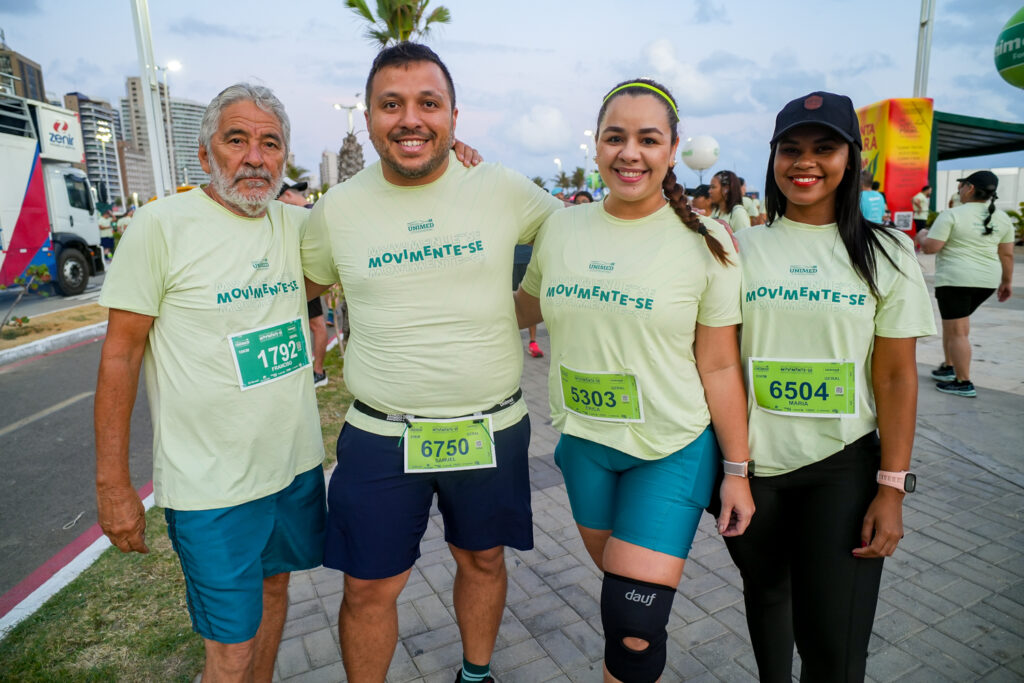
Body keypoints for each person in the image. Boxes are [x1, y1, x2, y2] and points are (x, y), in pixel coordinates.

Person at [300, 43, 563, 683]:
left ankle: (475, 674)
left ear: (453, 116)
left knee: (483, 560)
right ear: (369, 117)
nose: (410, 119)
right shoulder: (337, 209)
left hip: (490, 426)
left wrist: (516, 309)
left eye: (428, 103)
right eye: (392, 105)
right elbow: (300, 290)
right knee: (368, 586)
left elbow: (577, 242)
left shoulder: (499, 187)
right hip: (381, 433)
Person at [514, 78, 754, 683]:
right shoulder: (562, 228)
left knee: (633, 627)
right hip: (583, 446)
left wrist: (736, 471)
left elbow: (719, 364)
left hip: (671, 449)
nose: (630, 153)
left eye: (648, 139)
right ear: (596, 144)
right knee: (620, 592)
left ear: (672, 150)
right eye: (615, 137)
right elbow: (521, 309)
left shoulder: (708, 241)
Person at [95, 83, 327, 683]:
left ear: (284, 158)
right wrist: (114, 483)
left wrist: (455, 158)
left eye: (270, 144)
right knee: (231, 646)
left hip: (294, 466)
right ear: (205, 154)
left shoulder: (298, 227)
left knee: (276, 590)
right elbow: (120, 355)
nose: (254, 158)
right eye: (237, 140)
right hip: (211, 488)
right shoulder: (159, 226)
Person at [726, 91, 935, 682]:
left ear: (851, 158)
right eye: (790, 149)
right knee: (767, 601)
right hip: (753, 470)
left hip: (842, 469)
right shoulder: (738, 249)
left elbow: (895, 376)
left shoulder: (887, 251)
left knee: (834, 651)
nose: (805, 162)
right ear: (773, 158)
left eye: (824, 148)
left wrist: (891, 489)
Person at [917, 170, 1015, 397]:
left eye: (961, 185)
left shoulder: (952, 215)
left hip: (956, 280)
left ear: (969, 188)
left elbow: (931, 247)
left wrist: (922, 235)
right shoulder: (1002, 218)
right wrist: (1006, 282)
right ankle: (948, 366)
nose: (958, 189)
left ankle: (963, 382)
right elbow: (1007, 254)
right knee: (954, 325)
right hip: (987, 281)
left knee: (958, 331)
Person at [277, 177, 329, 387]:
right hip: (304, 278)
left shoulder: (307, 215)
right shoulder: (313, 211)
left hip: (306, 277)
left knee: (316, 324)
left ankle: (318, 372)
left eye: (277, 201)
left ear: (288, 195)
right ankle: (313, 370)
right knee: (310, 324)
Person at [513, 243, 544, 357]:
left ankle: (533, 342)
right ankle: (508, 339)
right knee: (507, 302)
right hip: (511, 259)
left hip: (529, 259)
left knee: (531, 301)